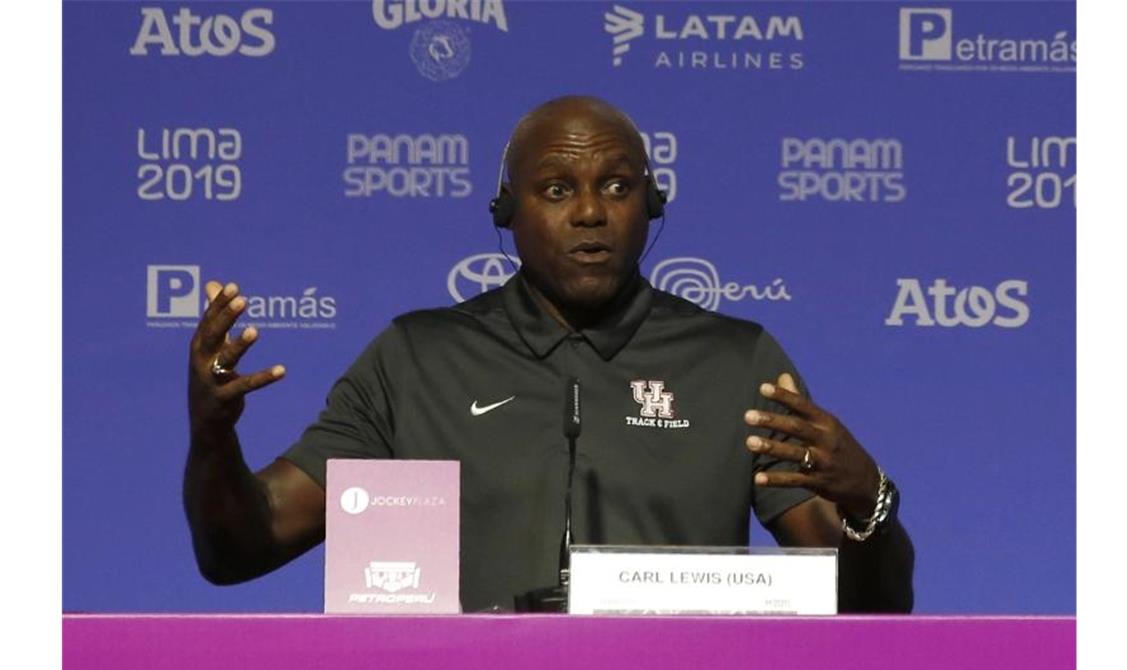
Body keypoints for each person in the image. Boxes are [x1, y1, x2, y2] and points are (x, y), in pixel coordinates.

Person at [184, 95, 914, 612]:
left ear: (652, 206)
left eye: (618, 186)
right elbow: (242, 549)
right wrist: (212, 439)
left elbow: (869, 611)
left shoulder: (735, 360)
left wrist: (869, 504)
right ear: (508, 212)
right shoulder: (417, 360)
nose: (591, 210)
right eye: (558, 188)